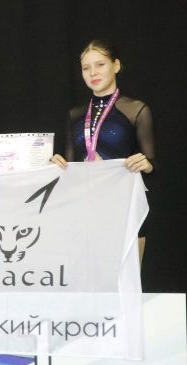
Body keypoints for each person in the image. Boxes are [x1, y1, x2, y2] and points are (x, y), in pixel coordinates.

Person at [50, 40, 155, 258]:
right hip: (84, 211)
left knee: (127, 278)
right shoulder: (74, 115)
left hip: (125, 209)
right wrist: (55, 165)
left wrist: (147, 164)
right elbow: (70, 168)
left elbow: (154, 164)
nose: (93, 73)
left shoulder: (136, 110)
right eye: (86, 68)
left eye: (100, 65)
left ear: (116, 65)